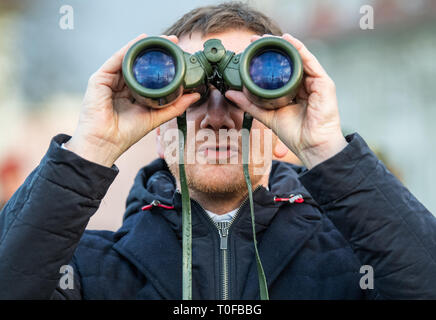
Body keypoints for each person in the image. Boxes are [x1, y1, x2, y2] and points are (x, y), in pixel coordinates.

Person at [1, 2, 435, 300]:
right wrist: (92, 146)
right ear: (160, 132)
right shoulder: (85, 271)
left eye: (242, 93)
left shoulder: (356, 267)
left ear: (281, 129)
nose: (216, 115)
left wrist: (325, 147)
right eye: (187, 97)